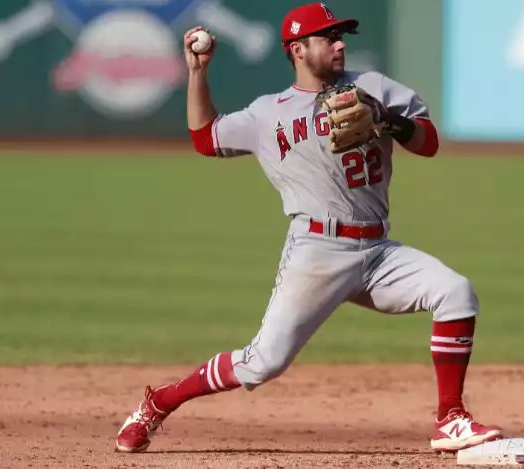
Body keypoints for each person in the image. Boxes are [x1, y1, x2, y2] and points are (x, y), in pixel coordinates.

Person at [115, 2, 502, 454]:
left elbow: (429, 142)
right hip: (317, 250)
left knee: (456, 293)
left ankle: (450, 419)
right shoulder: (267, 113)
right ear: (298, 49)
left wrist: (390, 121)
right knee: (263, 363)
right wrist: (198, 73)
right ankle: (159, 402)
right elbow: (205, 137)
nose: (340, 44)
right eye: (328, 37)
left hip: (377, 251)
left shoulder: (372, 87)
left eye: (341, 36)